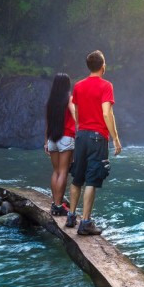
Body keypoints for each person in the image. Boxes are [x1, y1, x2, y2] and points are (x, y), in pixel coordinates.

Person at [66, 50, 121, 235]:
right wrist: (115, 138)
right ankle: (86, 223)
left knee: (77, 177)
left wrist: (80, 129)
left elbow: (77, 112)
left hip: (81, 135)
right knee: (92, 179)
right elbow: (107, 113)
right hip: (98, 137)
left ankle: (71, 217)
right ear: (103, 66)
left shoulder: (79, 86)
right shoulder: (106, 86)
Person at [44, 73, 77, 216]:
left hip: (52, 139)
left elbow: (47, 124)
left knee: (56, 171)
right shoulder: (69, 99)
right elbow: (76, 116)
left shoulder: (51, 103)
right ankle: (59, 206)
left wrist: (46, 142)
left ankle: (55, 203)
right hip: (66, 138)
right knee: (63, 172)